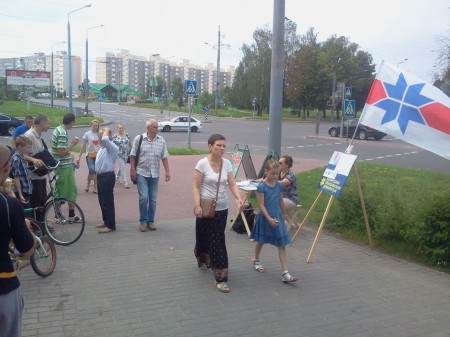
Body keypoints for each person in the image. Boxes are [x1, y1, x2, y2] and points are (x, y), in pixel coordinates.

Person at [192, 134, 244, 293]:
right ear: (210, 146)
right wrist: (197, 205)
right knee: (202, 236)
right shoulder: (202, 164)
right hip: (205, 208)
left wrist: (238, 198)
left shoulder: (227, 163)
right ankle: (203, 258)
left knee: (217, 240)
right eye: (218, 145)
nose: (222, 148)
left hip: (221, 209)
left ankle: (221, 277)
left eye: (223, 146)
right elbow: (196, 186)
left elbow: (232, 183)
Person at [0, 144, 36, 337]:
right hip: (4, 287)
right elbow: (28, 250)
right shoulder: (8, 205)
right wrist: (25, 225)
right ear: (6, 168)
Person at [250, 159, 298, 283]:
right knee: (261, 241)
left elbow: (280, 200)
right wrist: (269, 218)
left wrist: (282, 214)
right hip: (266, 217)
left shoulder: (278, 185)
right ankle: (256, 259)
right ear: (266, 172)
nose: (275, 176)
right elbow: (261, 205)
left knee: (282, 245)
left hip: (277, 216)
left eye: (277, 174)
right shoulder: (261, 186)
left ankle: (285, 273)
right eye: (272, 173)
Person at [129, 119, 170, 232]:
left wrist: (167, 171)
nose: (158, 129)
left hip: (155, 173)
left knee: (152, 198)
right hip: (141, 172)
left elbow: (164, 156)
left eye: (157, 127)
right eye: (155, 127)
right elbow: (132, 155)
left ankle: (150, 221)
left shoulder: (161, 140)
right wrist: (132, 169)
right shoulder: (139, 139)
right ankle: (143, 221)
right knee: (144, 197)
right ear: (148, 129)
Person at [50, 113, 80, 222]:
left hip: (64, 166)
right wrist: (72, 145)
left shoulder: (59, 129)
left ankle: (70, 215)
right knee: (62, 191)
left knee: (71, 190)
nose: (73, 125)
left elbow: (60, 150)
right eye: (73, 122)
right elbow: (61, 152)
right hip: (63, 167)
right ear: (71, 122)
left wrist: (69, 154)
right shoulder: (62, 133)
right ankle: (58, 216)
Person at [23, 114, 50, 213]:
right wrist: (33, 160)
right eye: (47, 123)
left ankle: (41, 224)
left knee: (42, 201)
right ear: (42, 123)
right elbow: (20, 154)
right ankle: (35, 226)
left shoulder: (38, 136)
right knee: (36, 203)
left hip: (40, 175)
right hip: (33, 176)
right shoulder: (29, 135)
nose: (49, 125)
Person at [95, 128, 118, 233]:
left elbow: (105, 139)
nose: (100, 138)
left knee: (107, 201)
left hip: (107, 176)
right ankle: (106, 221)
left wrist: (107, 130)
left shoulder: (112, 147)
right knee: (102, 200)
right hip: (100, 176)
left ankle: (111, 225)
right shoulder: (102, 148)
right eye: (99, 136)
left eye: (101, 135)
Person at [77, 120, 100, 193]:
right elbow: (83, 145)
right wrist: (79, 156)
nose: (95, 127)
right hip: (89, 155)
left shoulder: (99, 134)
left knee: (96, 171)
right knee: (92, 170)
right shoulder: (87, 134)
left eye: (97, 125)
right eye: (94, 125)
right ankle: (88, 183)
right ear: (91, 126)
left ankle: (95, 187)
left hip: (98, 155)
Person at [11, 135, 33, 208]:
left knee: (28, 210)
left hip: (27, 189)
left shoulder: (22, 156)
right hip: (23, 191)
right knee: (25, 213)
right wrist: (20, 195)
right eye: (27, 148)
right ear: (20, 147)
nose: (29, 150)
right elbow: (16, 178)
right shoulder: (16, 159)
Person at [112, 123, 132, 189]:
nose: (121, 129)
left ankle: (117, 178)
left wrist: (132, 149)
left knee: (122, 167)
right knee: (123, 167)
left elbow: (129, 142)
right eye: (119, 128)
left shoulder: (127, 135)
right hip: (119, 154)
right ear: (117, 129)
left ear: (124, 128)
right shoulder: (115, 136)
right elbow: (112, 144)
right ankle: (125, 182)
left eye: (122, 128)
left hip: (126, 153)